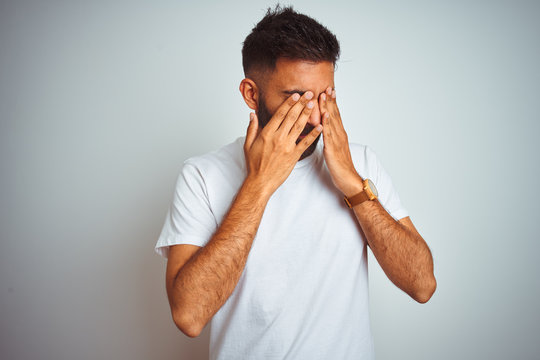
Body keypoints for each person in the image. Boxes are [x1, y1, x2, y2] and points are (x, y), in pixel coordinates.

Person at [155, 5, 436, 359]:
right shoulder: (202, 176)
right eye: (296, 98)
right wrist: (259, 183)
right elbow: (189, 316)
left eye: (324, 96)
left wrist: (352, 184)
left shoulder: (360, 164)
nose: (316, 115)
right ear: (251, 94)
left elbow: (422, 285)